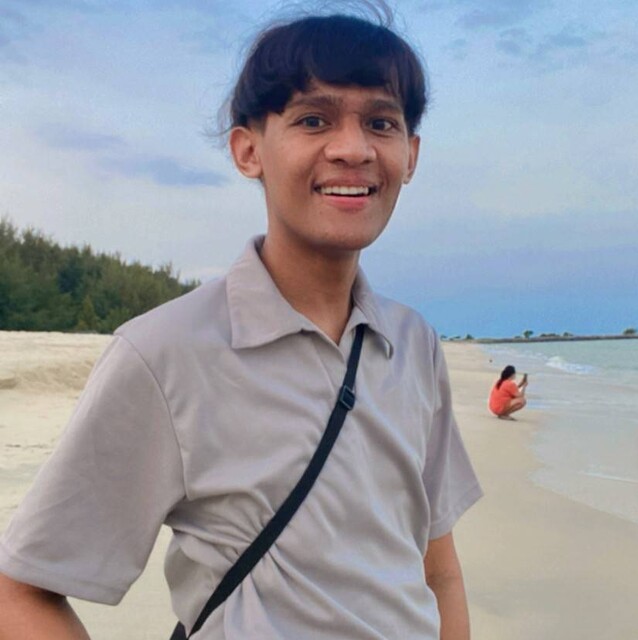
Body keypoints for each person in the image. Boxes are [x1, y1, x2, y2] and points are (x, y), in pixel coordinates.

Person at [0, 4, 483, 639]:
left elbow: (436, 568)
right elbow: (21, 591)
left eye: (381, 122)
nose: (353, 149)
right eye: (314, 119)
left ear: (410, 155)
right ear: (248, 150)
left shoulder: (413, 343)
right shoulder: (164, 353)